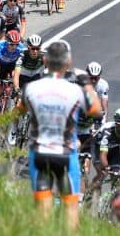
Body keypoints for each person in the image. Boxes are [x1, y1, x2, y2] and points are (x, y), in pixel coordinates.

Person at [20, 40, 102, 230]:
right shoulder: (75, 90)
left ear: (45, 60)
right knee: (71, 207)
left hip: (39, 153)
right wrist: (87, 83)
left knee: (42, 208)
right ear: (68, 62)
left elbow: (20, 109)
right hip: (65, 154)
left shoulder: (31, 88)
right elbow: (96, 110)